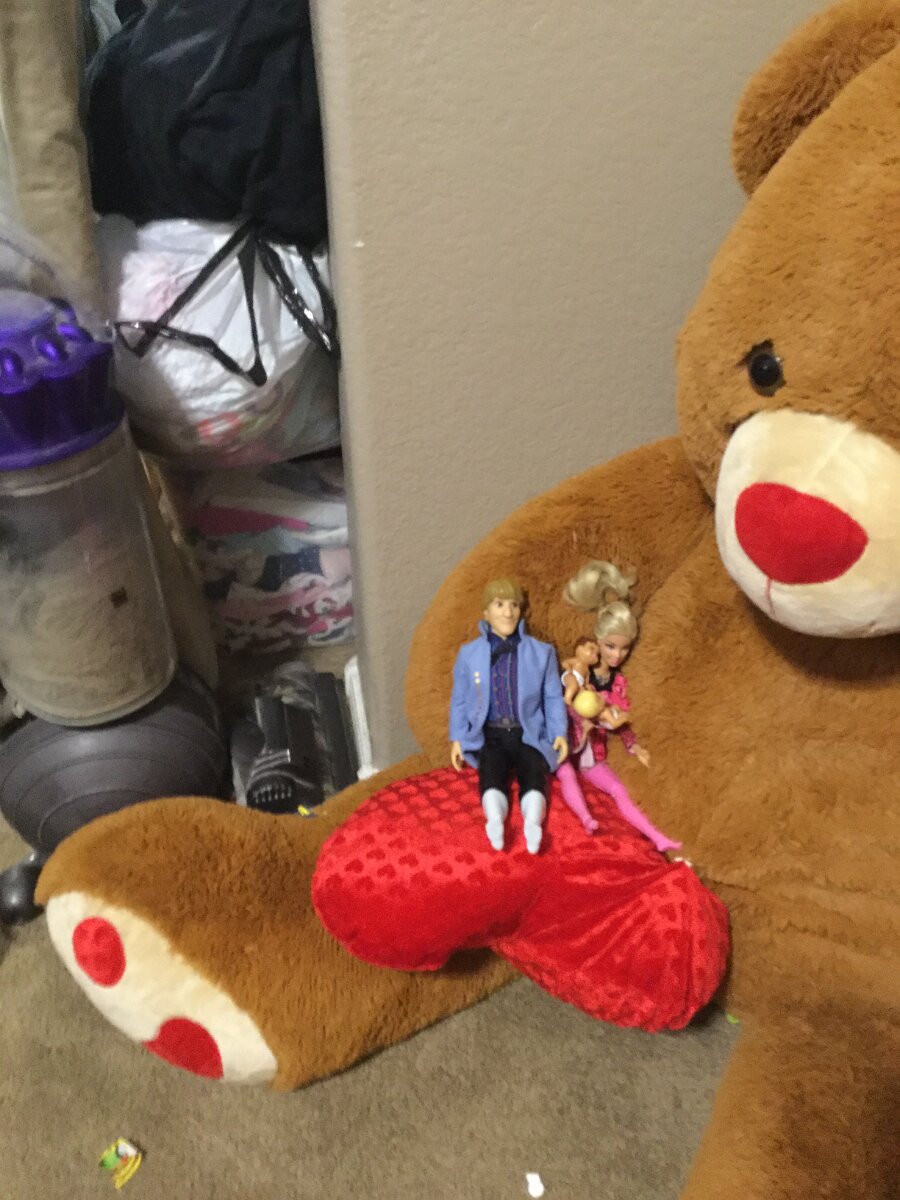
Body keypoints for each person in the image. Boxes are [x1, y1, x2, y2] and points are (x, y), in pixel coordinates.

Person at [556, 562, 682, 853]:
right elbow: (561, 698)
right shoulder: (580, 670)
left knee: (617, 790)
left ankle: (657, 838)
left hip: (592, 756)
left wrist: (633, 746)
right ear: (598, 642)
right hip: (565, 745)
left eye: (624, 648)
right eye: (610, 646)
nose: (617, 655)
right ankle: (586, 818)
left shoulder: (618, 683)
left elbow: (619, 722)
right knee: (567, 775)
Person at [450, 578, 568, 854]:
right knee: (490, 772)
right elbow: (460, 699)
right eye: (499, 605)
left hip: (528, 733)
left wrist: (559, 732)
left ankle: (533, 821)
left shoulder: (542, 653)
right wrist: (458, 737)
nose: (508, 612)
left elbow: (552, 697)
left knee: (533, 772)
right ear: (486, 612)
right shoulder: (469, 654)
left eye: (514, 605)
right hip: (490, 734)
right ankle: (494, 819)